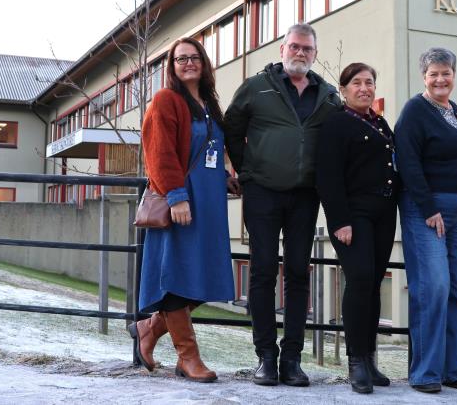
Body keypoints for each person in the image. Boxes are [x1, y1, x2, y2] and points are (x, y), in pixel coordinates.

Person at [223, 23, 341, 387]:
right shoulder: (256, 87)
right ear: (282, 49)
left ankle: (292, 358)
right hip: (262, 192)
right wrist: (246, 170)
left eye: (307, 48)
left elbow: (340, 140)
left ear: (315, 54)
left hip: (305, 195)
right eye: (294, 46)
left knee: (298, 273)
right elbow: (231, 127)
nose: (300, 53)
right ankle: (266, 357)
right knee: (261, 271)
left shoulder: (328, 96)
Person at [130, 37, 238, 383]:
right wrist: (176, 196)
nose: (188, 63)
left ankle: (149, 328)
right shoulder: (167, 100)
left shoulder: (208, 103)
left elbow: (205, 152)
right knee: (177, 277)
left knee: (205, 276)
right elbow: (159, 153)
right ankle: (188, 357)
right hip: (181, 202)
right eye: (181, 59)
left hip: (209, 204)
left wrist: (224, 179)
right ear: (172, 67)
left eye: (194, 57)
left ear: (204, 63)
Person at [394, 47, 457, 394]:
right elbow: (407, 161)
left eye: (446, 73)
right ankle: (425, 373)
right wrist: (429, 208)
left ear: (454, 75)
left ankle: (449, 369)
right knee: (434, 287)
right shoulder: (415, 111)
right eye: (434, 74)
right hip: (427, 212)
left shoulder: (454, 110)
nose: (440, 79)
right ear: (424, 77)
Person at [315, 63, 399, 394]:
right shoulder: (336, 123)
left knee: (374, 283)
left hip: (384, 213)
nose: (364, 88)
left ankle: (369, 358)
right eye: (357, 83)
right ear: (344, 89)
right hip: (354, 214)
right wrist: (340, 221)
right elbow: (328, 176)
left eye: (369, 82)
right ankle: (355, 361)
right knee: (360, 278)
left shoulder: (380, 122)